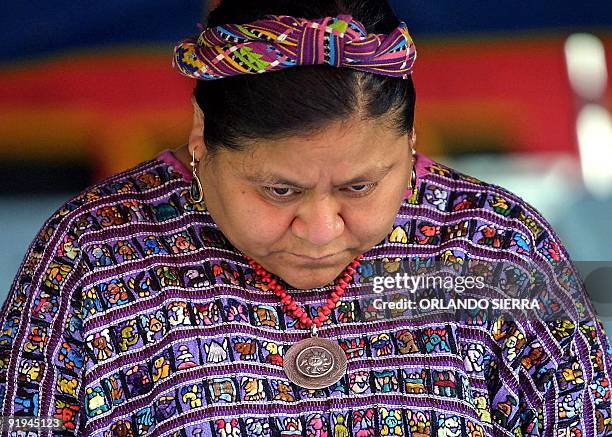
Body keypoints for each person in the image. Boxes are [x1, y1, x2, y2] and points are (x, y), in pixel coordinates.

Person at [1, 0, 611, 435]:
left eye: (361, 186)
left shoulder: (497, 249)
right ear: (201, 139)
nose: (321, 229)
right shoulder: (94, 258)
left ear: (411, 145)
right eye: (278, 190)